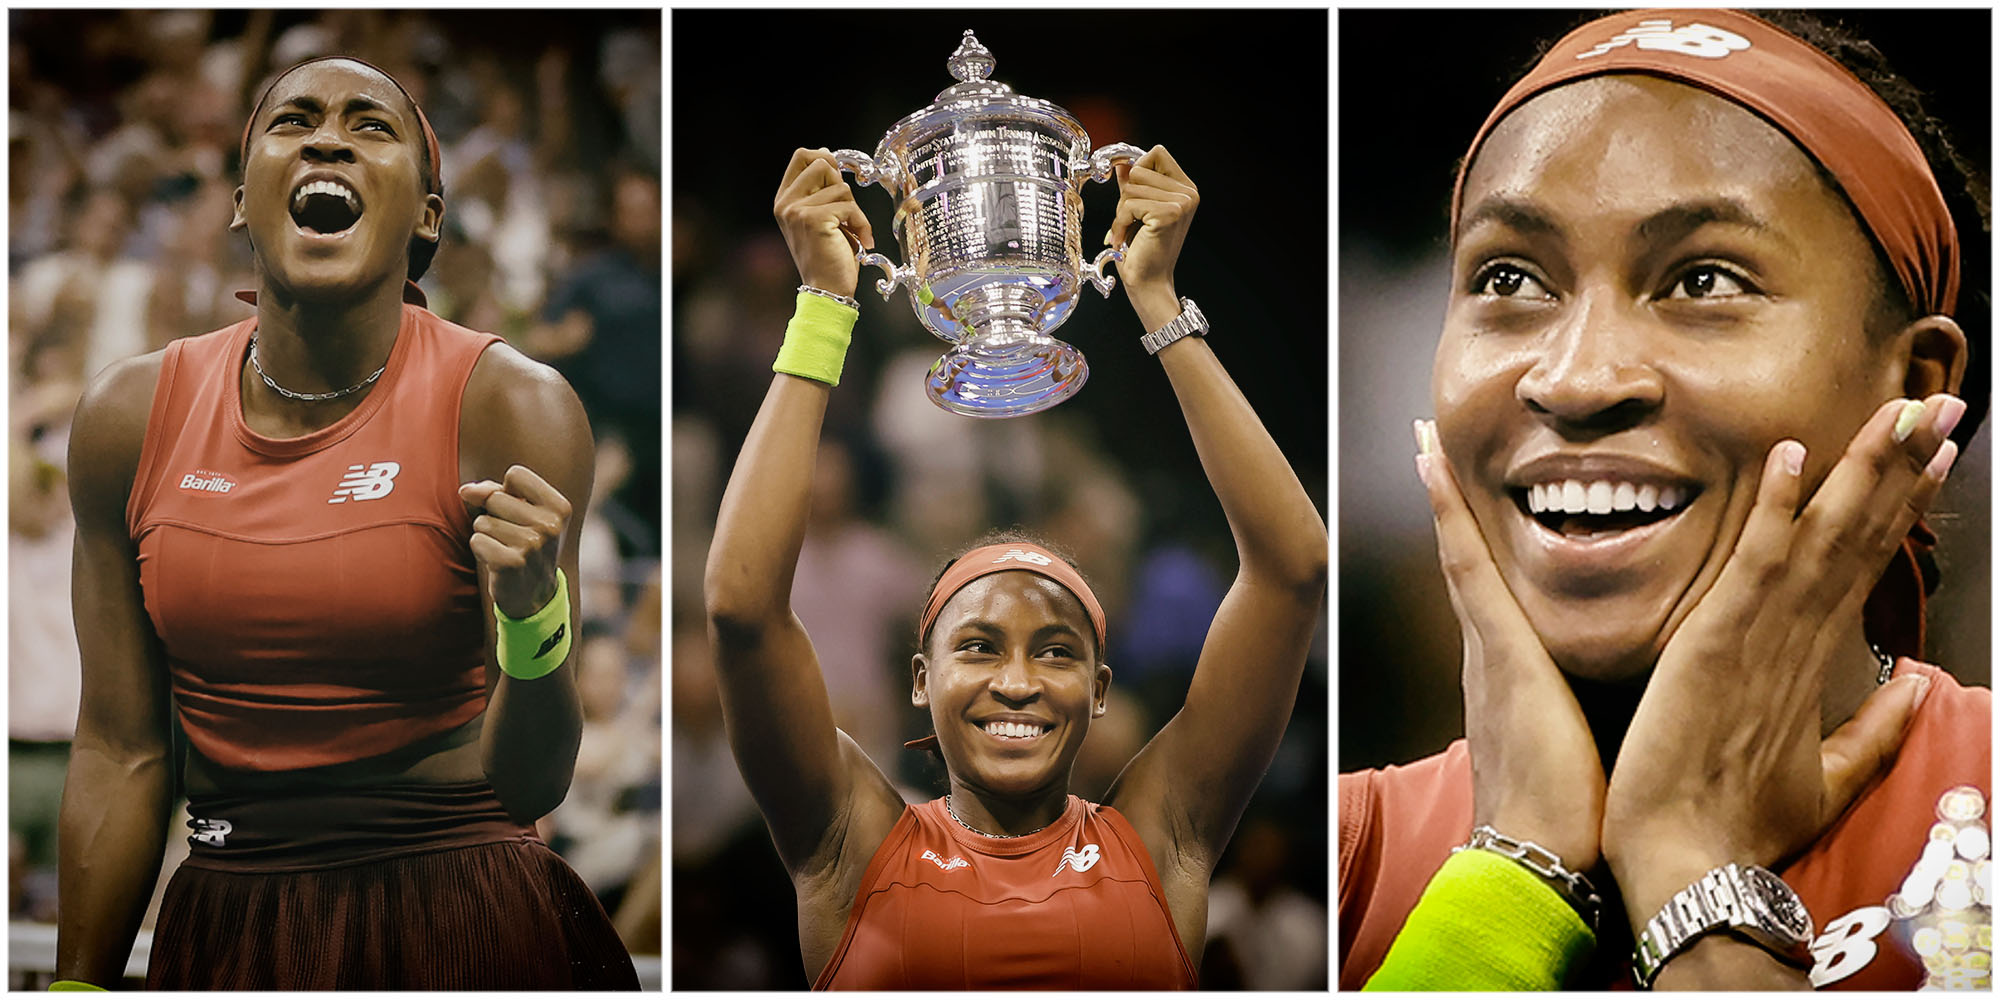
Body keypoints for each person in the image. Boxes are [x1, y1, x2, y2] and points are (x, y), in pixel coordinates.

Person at [1338, 9, 1991, 991]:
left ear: (1913, 390)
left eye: (1703, 279)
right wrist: (1515, 871)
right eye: (1506, 275)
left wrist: (1687, 866)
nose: (1574, 377)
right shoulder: (1339, 851)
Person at [55, 56, 639, 989]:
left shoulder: (511, 407)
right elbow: (120, 750)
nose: (328, 136)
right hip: (227, 916)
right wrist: (79, 983)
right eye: (294, 121)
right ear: (244, 201)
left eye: (372, 125)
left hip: (461, 910)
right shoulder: (127, 416)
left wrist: (536, 615)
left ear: (427, 215)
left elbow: (534, 786)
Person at [704, 145, 1326, 988]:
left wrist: (1157, 300)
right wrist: (823, 303)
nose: (1019, 680)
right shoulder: (850, 843)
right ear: (920, 678)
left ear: (1102, 691)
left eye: (1057, 651)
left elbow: (1292, 570)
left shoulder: (1161, 836)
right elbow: (742, 607)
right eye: (980, 646)